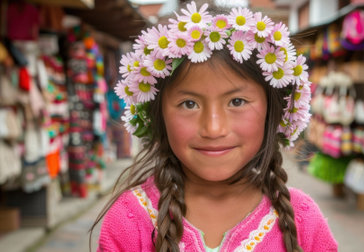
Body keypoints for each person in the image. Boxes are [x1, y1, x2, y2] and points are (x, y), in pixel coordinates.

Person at [93, 2, 337, 251]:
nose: (213, 128)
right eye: (189, 104)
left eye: (237, 101)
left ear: (272, 112)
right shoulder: (128, 221)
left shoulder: (305, 222)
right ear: (158, 116)